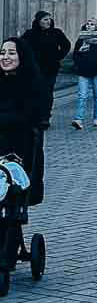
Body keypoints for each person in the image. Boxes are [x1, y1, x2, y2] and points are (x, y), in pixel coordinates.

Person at [0, 37, 46, 209]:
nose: (5, 57)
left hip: (19, 151)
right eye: (2, 53)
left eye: (11, 53)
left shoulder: (32, 84)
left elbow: (29, 117)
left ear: (22, 56)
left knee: (12, 206)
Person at [18, 12, 71, 118]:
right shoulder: (30, 34)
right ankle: (35, 114)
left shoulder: (56, 33)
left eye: (49, 19)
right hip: (35, 69)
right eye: (45, 19)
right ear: (39, 21)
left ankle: (46, 116)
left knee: (47, 92)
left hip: (51, 68)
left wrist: (58, 56)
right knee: (35, 92)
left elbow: (66, 45)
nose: (48, 22)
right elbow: (20, 46)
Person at [70, 20, 97, 129]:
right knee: (82, 96)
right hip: (83, 71)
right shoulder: (81, 39)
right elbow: (75, 54)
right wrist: (79, 61)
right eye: (88, 24)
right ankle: (78, 119)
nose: (89, 26)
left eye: (92, 24)